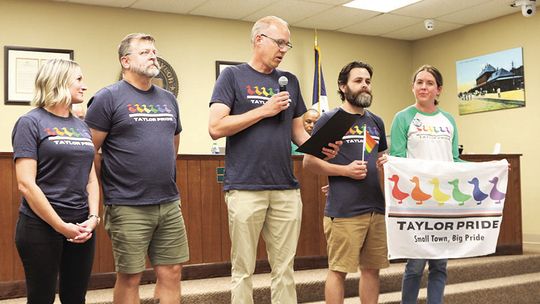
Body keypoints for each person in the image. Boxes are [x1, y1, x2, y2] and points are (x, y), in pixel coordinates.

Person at [208, 16, 338, 304]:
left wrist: (320, 148)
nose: (283, 49)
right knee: (243, 269)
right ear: (258, 40)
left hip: (285, 189)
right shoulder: (232, 77)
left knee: (284, 269)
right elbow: (216, 127)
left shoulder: (289, 81)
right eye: (279, 42)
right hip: (244, 187)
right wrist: (263, 111)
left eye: (286, 44)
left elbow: (297, 135)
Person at [85, 33, 189, 304]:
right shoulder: (108, 97)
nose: (153, 55)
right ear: (126, 61)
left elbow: (172, 144)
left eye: (154, 51)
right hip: (127, 203)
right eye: (144, 52)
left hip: (168, 202)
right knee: (130, 275)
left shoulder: (168, 99)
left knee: (172, 271)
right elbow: (89, 152)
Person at [12, 58, 99, 303]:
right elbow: (26, 183)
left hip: (81, 225)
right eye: (79, 79)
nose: (84, 86)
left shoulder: (82, 126)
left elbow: (91, 179)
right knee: (42, 298)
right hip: (40, 226)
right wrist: (61, 226)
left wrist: (92, 218)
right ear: (59, 81)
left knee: (75, 298)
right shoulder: (30, 122)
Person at [303, 61, 389, 304]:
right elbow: (309, 163)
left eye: (368, 81)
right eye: (358, 81)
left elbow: (381, 159)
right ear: (343, 86)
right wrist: (345, 171)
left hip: (376, 208)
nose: (365, 86)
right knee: (339, 270)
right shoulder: (331, 120)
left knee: (372, 270)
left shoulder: (376, 122)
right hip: (344, 210)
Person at [389, 65, 462, 304]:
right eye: (419, 82)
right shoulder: (403, 118)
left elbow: (455, 159)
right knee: (415, 265)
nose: (423, 87)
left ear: (438, 89)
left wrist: (494, 167)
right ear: (413, 87)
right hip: (417, 202)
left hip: (443, 202)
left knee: (440, 265)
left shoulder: (448, 120)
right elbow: (398, 158)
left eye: (429, 83)